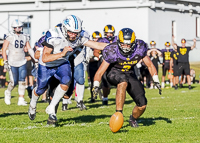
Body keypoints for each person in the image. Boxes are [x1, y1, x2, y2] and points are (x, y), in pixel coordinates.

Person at [28, 15, 107, 125]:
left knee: (66, 80)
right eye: (70, 32)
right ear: (64, 28)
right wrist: (62, 53)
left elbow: (97, 44)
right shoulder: (54, 35)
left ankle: (51, 108)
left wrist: (115, 46)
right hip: (47, 65)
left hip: (62, 63)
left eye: (76, 32)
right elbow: (44, 58)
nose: (73, 35)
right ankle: (32, 104)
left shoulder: (79, 36)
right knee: (41, 89)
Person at [92, 28, 161, 128]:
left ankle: (132, 119)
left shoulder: (139, 48)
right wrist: (96, 85)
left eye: (128, 44)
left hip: (129, 73)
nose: (125, 47)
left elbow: (150, 65)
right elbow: (100, 71)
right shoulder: (112, 50)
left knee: (142, 104)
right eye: (123, 44)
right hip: (114, 72)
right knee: (122, 82)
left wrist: (156, 80)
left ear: (133, 43)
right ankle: (118, 113)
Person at [2, 19, 37, 106]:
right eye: (16, 27)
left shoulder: (25, 36)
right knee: (14, 82)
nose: (18, 29)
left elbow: (29, 48)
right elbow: (4, 49)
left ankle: (21, 99)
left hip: (22, 60)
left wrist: (34, 58)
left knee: (22, 81)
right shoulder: (9, 36)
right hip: (12, 61)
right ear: (13, 28)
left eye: (20, 27)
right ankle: (8, 92)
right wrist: (5, 60)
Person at [94, 24, 117, 105]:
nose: (109, 35)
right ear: (105, 33)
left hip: (115, 63)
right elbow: (95, 51)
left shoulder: (117, 40)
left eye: (111, 33)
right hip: (104, 63)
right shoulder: (101, 40)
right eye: (108, 33)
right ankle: (105, 98)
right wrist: (100, 56)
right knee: (105, 83)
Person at [88, 31, 103, 102]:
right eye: (95, 38)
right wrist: (94, 58)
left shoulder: (102, 45)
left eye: (98, 38)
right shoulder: (90, 46)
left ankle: (102, 95)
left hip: (100, 64)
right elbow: (88, 58)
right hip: (92, 65)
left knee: (102, 80)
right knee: (92, 81)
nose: (97, 40)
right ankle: (93, 97)